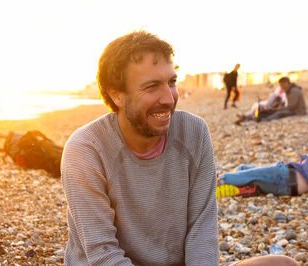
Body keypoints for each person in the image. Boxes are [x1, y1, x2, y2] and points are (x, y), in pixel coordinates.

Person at [61, 31, 298, 266]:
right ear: (117, 95)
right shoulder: (86, 150)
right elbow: (102, 254)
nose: (169, 98)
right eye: (152, 86)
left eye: (172, 82)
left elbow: (202, 231)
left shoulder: (194, 132)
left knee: (282, 264)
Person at [217, 155, 308, 198]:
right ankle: (246, 188)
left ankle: (215, 183)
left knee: (250, 174)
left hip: (284, 177)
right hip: (284, 176)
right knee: (243, 168)